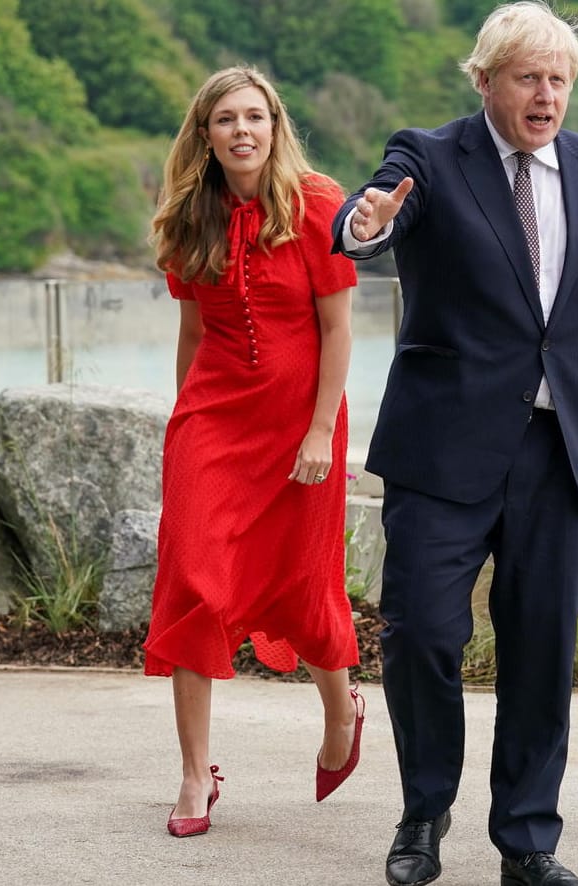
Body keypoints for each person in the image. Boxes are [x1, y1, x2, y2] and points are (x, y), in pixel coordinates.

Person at [332, 3, 578, 884]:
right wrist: (364, 226)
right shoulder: (431, 156)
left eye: (558, 79)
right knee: (424, 636)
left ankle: (527, 842)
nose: (545, 94)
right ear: (485, 81)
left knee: (542, 651)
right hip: (444, 451)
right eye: (527, 77)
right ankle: (424, 814)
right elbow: (371, 220)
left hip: (564, 453)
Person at [143, 65, 365, 838]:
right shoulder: (187, 218)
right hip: (213, 424)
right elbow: (193, 335)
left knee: (301, 586)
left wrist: (319, 430)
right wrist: (184, 430)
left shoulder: (317, 206)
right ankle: (192, 773)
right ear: (204, 135)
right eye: (226, 120)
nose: (242, 131)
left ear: (276, 126)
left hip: (301, 427)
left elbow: (338, 330)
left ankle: (342, 711)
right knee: (193, 586)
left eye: (255, 117)